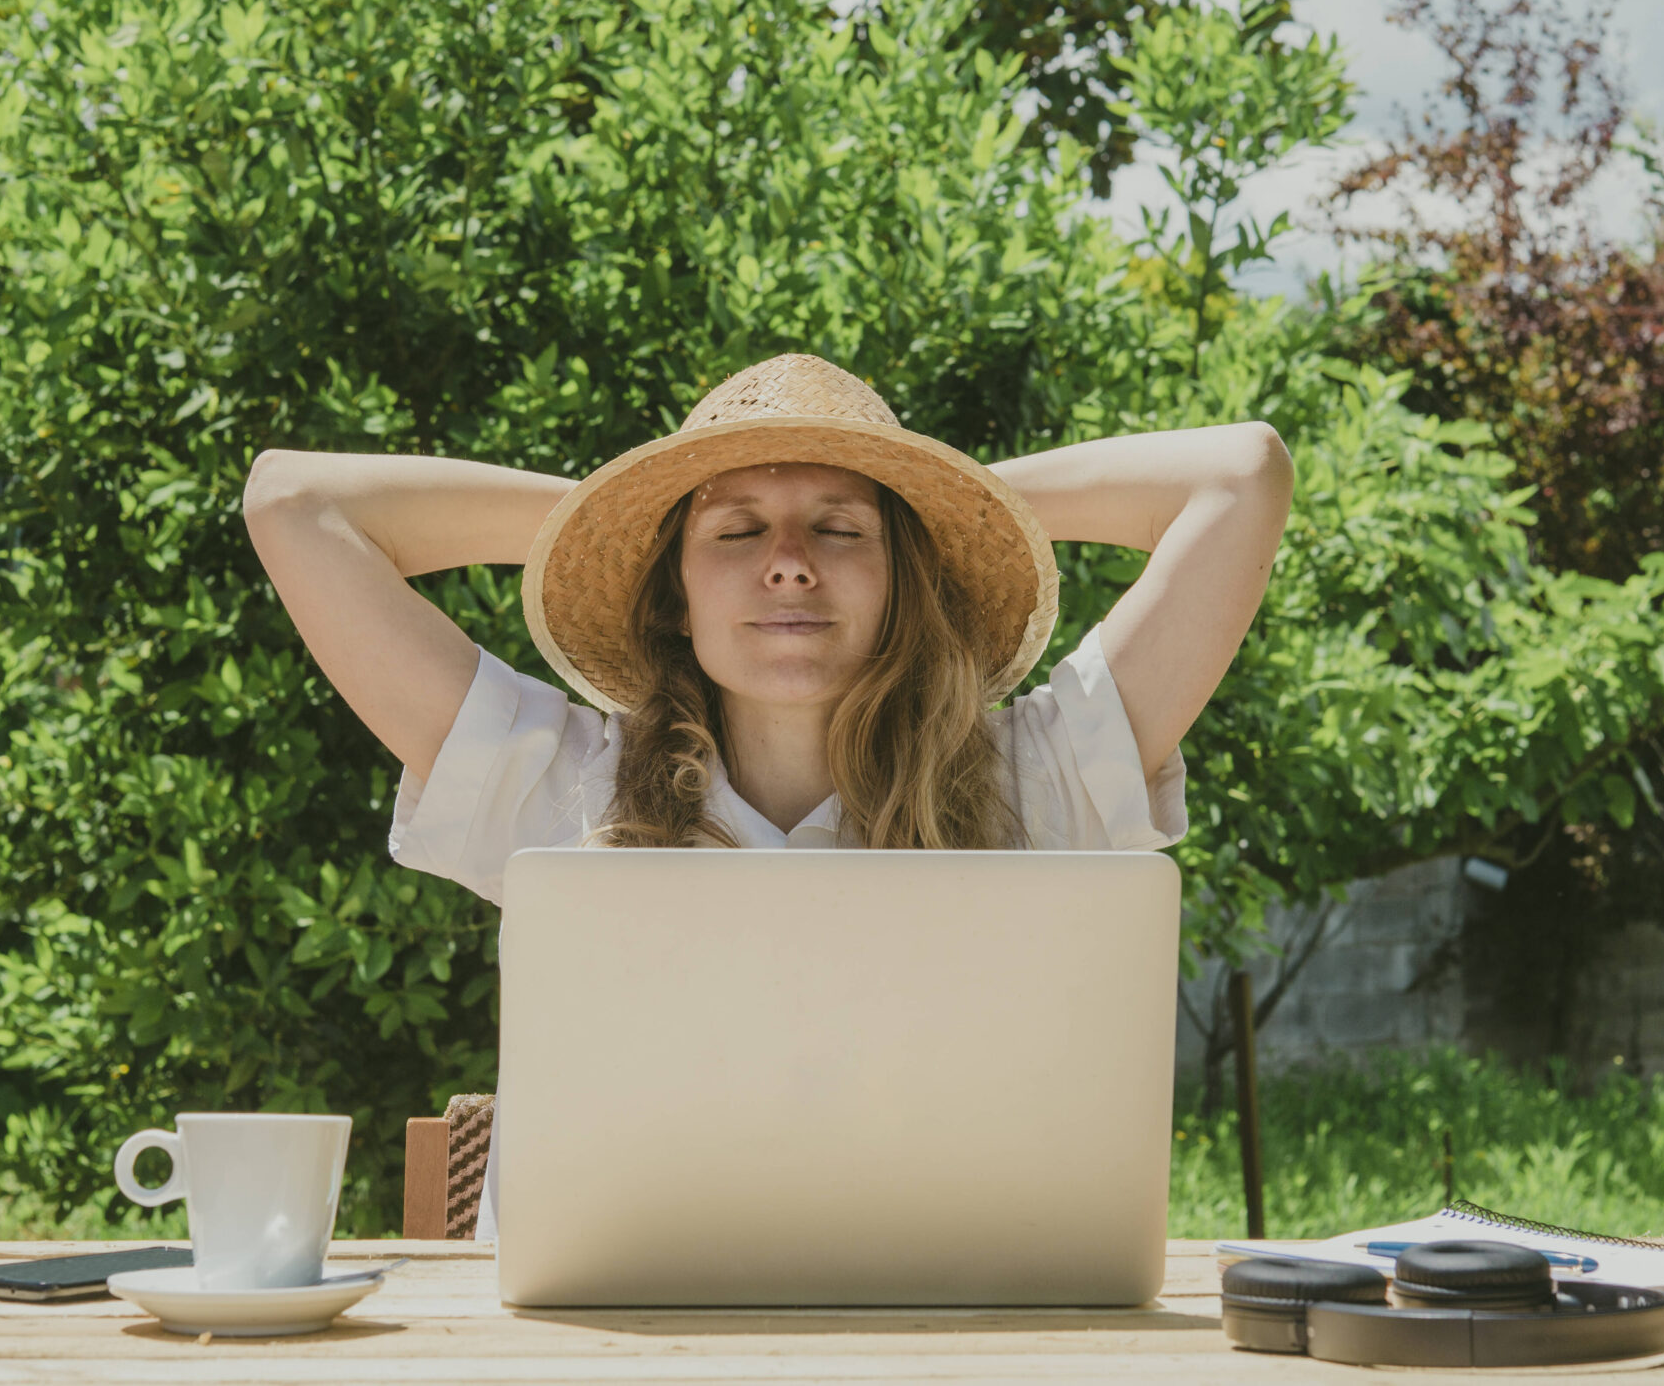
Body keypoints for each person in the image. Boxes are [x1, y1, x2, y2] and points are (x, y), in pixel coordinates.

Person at [243, 352, 1293, 1234]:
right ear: (673, 592)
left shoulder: (1036, 781)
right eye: (736, 535)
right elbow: (294, 503)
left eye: (840, 529)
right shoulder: (560, 784)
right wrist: (629, 511)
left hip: (949, 1338)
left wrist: (933, 498)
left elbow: (1241, 475)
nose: (788, 564)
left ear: (902, 579)